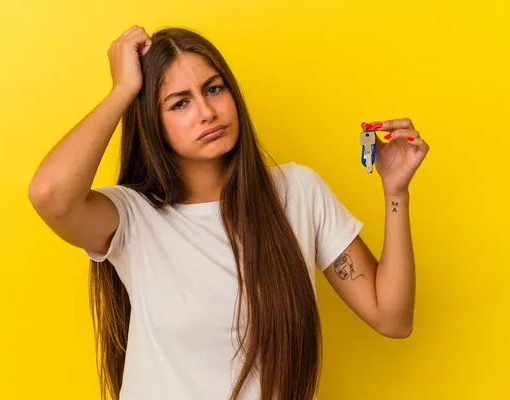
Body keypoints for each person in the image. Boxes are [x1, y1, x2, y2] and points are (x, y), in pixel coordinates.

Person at [28, 26, 429, 400]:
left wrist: (396, 192)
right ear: (152, 121)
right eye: (180, 103)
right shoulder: (131, 217)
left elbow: (392, 318)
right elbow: (50, 194)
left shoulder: (297, 192)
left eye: (214, 89)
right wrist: (123, 90)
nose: (207, 111)